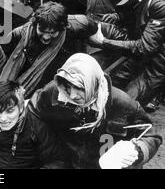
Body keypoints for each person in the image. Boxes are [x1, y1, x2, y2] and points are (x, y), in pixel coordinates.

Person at [30, 53, 162, 169]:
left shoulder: (122, 103)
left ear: (94, 83)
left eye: (80, 88)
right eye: (68, 87)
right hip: (67, 162)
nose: (73, 95)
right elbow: (32, 113)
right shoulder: (54, 92)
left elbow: (151, 135)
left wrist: (136, 150)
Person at [89, 0, 165, 108]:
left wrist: (104, 42)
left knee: (121, 105)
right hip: (140, 56)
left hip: (156, 67)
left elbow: (145, 47)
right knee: (107, 89)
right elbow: (131, 18)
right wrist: (118, 15)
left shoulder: (161, 2)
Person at [0, 2, 97, 98]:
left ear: (63, 28)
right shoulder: (19, 34)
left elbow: (100, 29)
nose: (46, 37)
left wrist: (103, 42)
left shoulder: (78, 25)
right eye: (42, 31)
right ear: (35, 24)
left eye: (52, 32)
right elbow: (0, 61)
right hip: (29, 87)